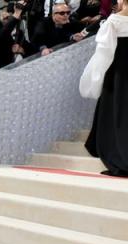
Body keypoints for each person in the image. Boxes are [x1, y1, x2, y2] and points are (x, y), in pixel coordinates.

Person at [80, 1, 128, 176]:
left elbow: (104, 53)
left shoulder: (114, 21)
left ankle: (120, 159)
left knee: (115, 115)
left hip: (117, 75)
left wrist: (94, 79)